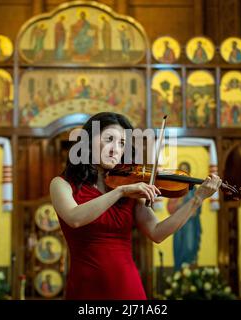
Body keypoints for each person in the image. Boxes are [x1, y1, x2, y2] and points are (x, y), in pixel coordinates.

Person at [50, 112, 222, 300]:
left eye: (122, 143)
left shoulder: (129, 187)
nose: (115, 149)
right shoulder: (61, 184)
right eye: (109, 139)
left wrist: (196, 200)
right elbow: (75, 218)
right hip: (85, 288)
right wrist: (121, 192)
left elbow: (157, 232)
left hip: (128, 287)